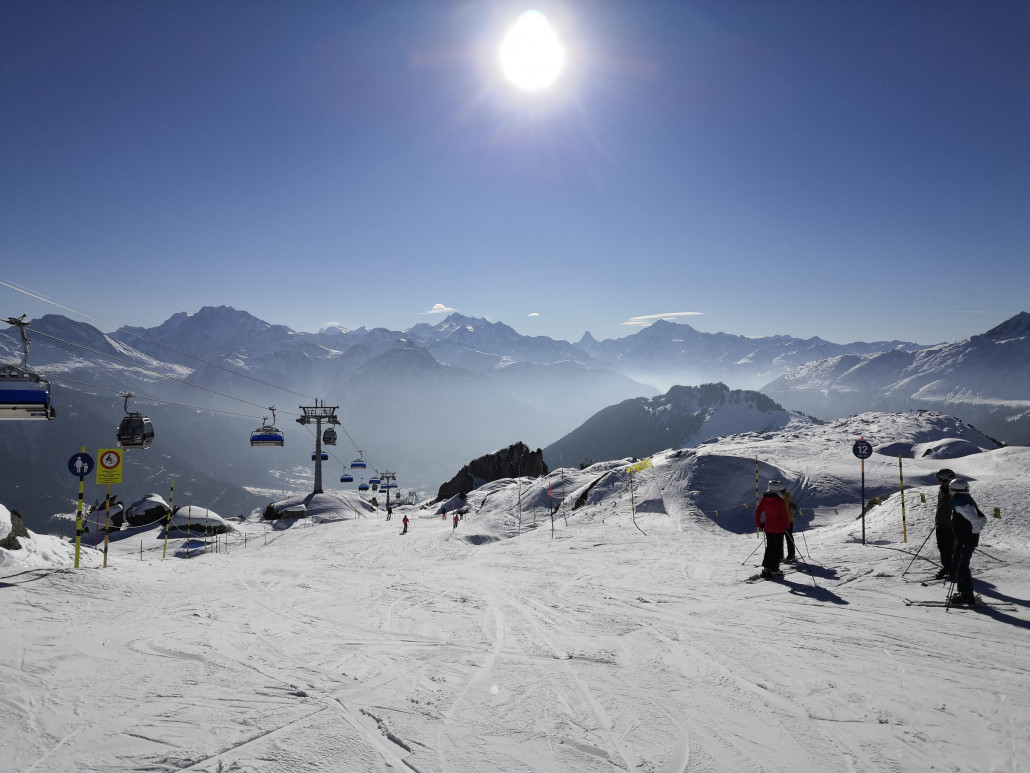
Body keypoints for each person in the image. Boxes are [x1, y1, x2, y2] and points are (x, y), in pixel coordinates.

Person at [949, 479, 987, 606]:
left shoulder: (961, 504)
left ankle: (967, 596)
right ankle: (964, 593)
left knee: (961, 566)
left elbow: (977, 521)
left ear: (956, 490)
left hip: (965, 540)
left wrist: (969, 536)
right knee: (960, 565)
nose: (950, 492)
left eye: (951, 489)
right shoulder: (964, 501)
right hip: (964, 539)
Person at [755, 482, 791, 578]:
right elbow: (784, 516)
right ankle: (774, 570)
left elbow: (758, 511)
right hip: (778, 528)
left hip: (768, 527)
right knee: (777, 549)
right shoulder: (779, 501)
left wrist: (759, 524)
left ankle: (767, 567)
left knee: (770, 547)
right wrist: (787, 526)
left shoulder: (764, 499)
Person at [933, 468, 956, 579]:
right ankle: (947, 567)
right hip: (941, 523)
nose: (938, 481)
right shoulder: (943, 489)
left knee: (950, 547)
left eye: (940, 479)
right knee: (942, 547)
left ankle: (953, 568)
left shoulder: (952, 489)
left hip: (949, 524)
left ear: (946, 478)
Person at [778, 482, 801, 563]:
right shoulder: (777, 497)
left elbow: (791, 503)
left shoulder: (788, 495)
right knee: (779, 539)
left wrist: (794, 507)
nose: (784, 491)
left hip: (789, 520)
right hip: (779, 521)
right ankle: (780, 556)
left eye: (785, 489)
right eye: (782, 490)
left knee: (789, 538)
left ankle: (791, 555)